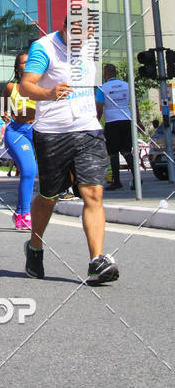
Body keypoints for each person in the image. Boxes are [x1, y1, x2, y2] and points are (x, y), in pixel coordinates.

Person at [20, 16, 119, 285]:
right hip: (53, 132)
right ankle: (35, 247)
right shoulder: (44, 47)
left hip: (88, 129)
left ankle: (96, 262)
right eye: (74, 36)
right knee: (49, 195)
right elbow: (25, 86)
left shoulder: (91, 47)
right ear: (64, 28)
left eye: (85, 36)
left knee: (93, 193)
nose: (80, 42)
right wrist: (49, 93)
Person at [1, 52, 38, 230]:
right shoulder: (11, 87)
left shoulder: (41, 85)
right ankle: (25, 214)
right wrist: (4, 113)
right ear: (17, 67)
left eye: (29, 62)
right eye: (23, 62)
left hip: (38, 131)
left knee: (37, 172)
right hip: (17, 132)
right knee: (30, 170)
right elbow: (2, 107)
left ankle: (19, 212)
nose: (27, 64)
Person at [96, 63, 135, 190]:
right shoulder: (126, 85)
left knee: (113, 153)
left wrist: (96, 121)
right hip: (126, 119)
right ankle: (137, 178)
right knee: (126, 151)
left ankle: (116, 181)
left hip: (112, 122)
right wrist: (138, 120)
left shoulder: (102, 88)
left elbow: (99, 108)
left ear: (106, 73)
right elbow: (134, 104)